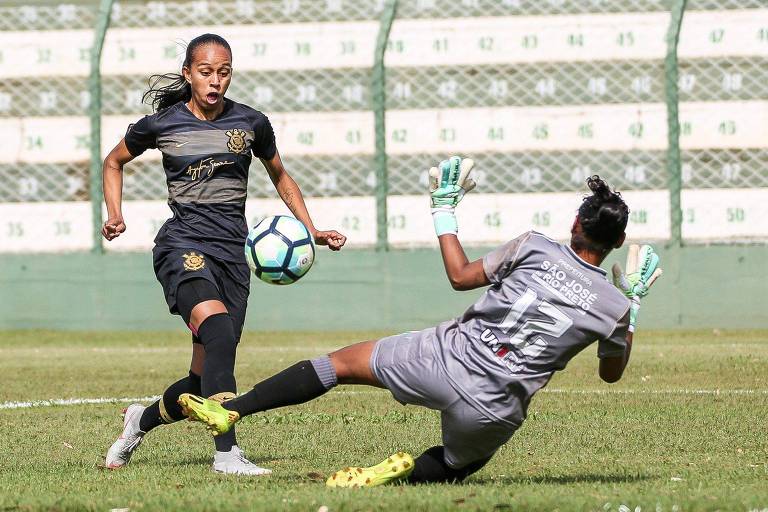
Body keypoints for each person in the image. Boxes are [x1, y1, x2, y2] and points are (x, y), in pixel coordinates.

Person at [179, 157, 662, 486]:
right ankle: (398, 478)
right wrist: (632, 307)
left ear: (575, 225)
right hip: (495, 407)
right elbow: (611, 373)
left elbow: (460, 276)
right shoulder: (613, 306)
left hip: (445, 357)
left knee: (339, 365)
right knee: (459, 464)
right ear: (618, 245)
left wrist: (444, 210)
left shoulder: (535, 246)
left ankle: (234, 409)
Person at [102, 33, 346, 475]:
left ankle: (141, 419)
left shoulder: (252, 123)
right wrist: (115, 213)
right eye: (206, 71)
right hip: (183, 246)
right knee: (216, 330)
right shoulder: (162, 125)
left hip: (234, 255)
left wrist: (311, 230)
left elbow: (281, 177)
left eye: (224, 71)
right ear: (188, 75)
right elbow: (113, 161)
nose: (216, 81)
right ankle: (227, 455)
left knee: (202, 378)